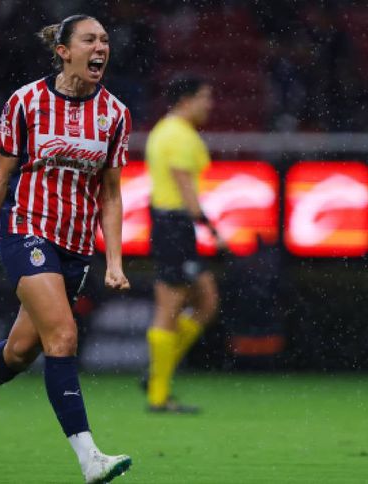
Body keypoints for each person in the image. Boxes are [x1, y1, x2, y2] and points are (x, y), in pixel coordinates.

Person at [0, 14, 133, 484]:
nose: (100, 47)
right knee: (63, 337)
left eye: (104, 40)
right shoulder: (26, 102)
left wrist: (114, 261)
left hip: (76, 246)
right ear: (63, 50)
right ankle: (90, 458)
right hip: (27, 230)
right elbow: (2, 179)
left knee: (20, 352)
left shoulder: (115, 114)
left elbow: (112, 193)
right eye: (89, 39)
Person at [144, 76, 220, 414]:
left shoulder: (168, 130)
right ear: (186, 100)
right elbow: (184, 185)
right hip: (173, 224)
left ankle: (159, 372)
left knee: (206, 299)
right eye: (204, 97)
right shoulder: (177, 135)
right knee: (170, 306)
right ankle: (158, 394)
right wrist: (210, 227)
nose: (209, 104)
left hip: (173, 225)